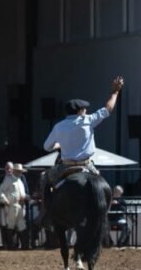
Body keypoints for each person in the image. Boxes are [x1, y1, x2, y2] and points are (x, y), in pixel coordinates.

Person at [40, 77, 124, 224]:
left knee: (45, 179)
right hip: (87, 165)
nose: (86, 111)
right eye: (85, 109)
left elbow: (46, 147)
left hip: (65, 166)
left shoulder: (59, 126)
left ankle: (46, 213)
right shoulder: (88, 120)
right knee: (103, 186)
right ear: (80, 111)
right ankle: (104, 212)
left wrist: (58, 145)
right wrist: (115, 92)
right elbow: (109, 108)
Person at [0, 162, 29, 249]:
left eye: (20, 171)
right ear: (14, 171)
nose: (20, 173)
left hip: (20, 206)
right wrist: (5, 200)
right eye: (18, 171)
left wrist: (28, 197)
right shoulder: (8, 180)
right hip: (12, 206)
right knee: (10, 225)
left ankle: (24, 246)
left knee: (22, 225)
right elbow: (0, 190)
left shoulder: (20, 181)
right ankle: (10, 246)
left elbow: (23, 194)